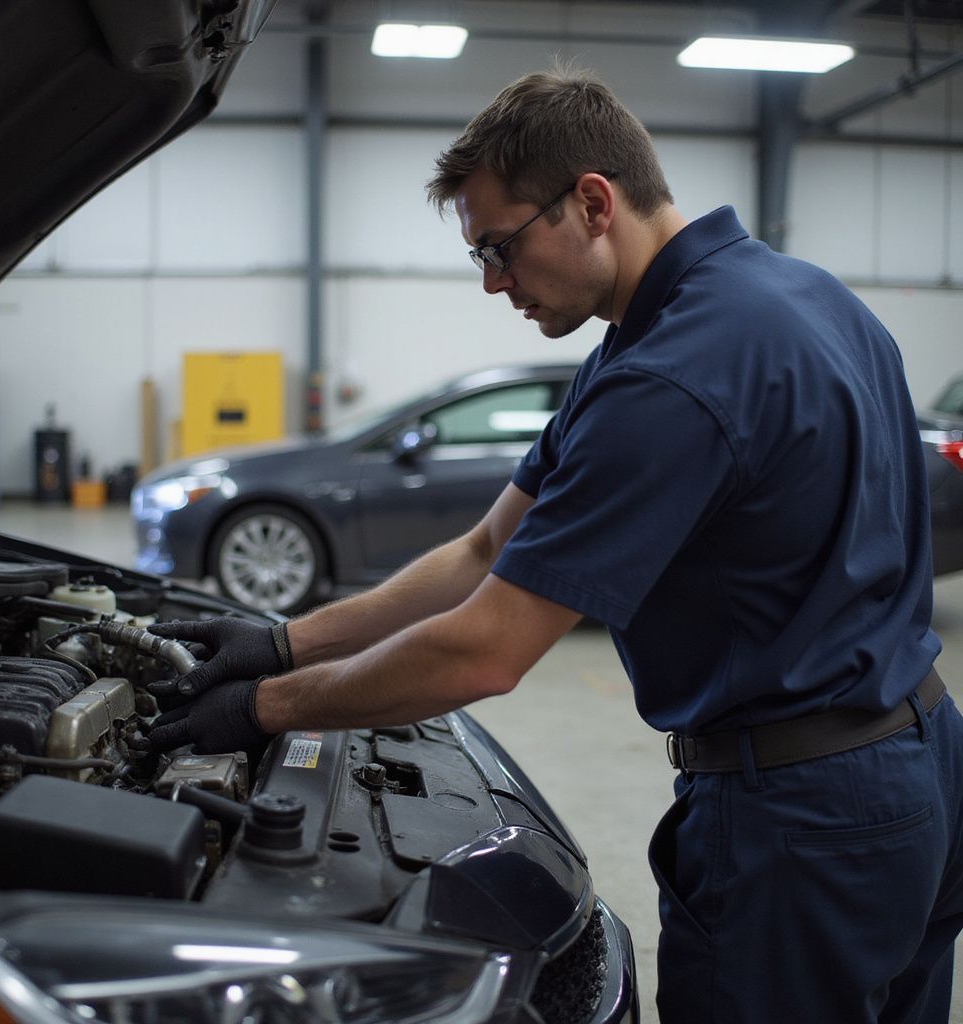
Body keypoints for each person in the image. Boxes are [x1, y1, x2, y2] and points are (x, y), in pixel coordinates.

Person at [145, 66, 963, 1023]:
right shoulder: (799, 300)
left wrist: (266, 708)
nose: (493, 281)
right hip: (920, 768)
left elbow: (486, 648)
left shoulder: (670, 378)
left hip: (801, 817)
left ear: (590, 202)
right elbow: (486, 548)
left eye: (500, 246)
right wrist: (279, 644)